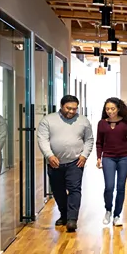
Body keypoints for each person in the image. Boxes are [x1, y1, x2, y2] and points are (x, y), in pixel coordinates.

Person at [37, 95, 94, 233]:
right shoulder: (48, 120)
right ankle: (64, 215)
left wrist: (84, 155)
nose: (72, 111)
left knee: (75, 190)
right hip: (54, 163)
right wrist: (49, 155)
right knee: (58, 191)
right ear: (61, 106)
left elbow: (89, 140)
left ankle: (72, 220)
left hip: (75, 162)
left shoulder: (83, 121)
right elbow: (42, 139)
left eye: (75, 109)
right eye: (69, 108)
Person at [96, 97, 127, 227]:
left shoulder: (126, 123)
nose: (110, 111)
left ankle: (117, 215)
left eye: (112, 108)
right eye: (107, 109)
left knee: (120, 187)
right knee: (109, 187)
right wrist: (98, 157)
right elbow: (99, 142)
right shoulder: (102, 123)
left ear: (118, 109)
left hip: (125, 157)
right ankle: (108, 210)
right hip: (108, 157)